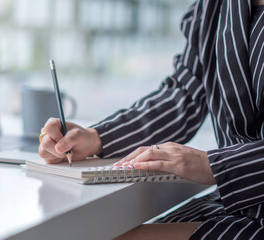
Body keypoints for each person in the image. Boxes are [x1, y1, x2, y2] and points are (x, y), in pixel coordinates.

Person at [38, 0, 264, 239]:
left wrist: (214, 166)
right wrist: (96, 138)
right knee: (96, 231)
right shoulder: (218, 5)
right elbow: (185, 93)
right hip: (235, 204)